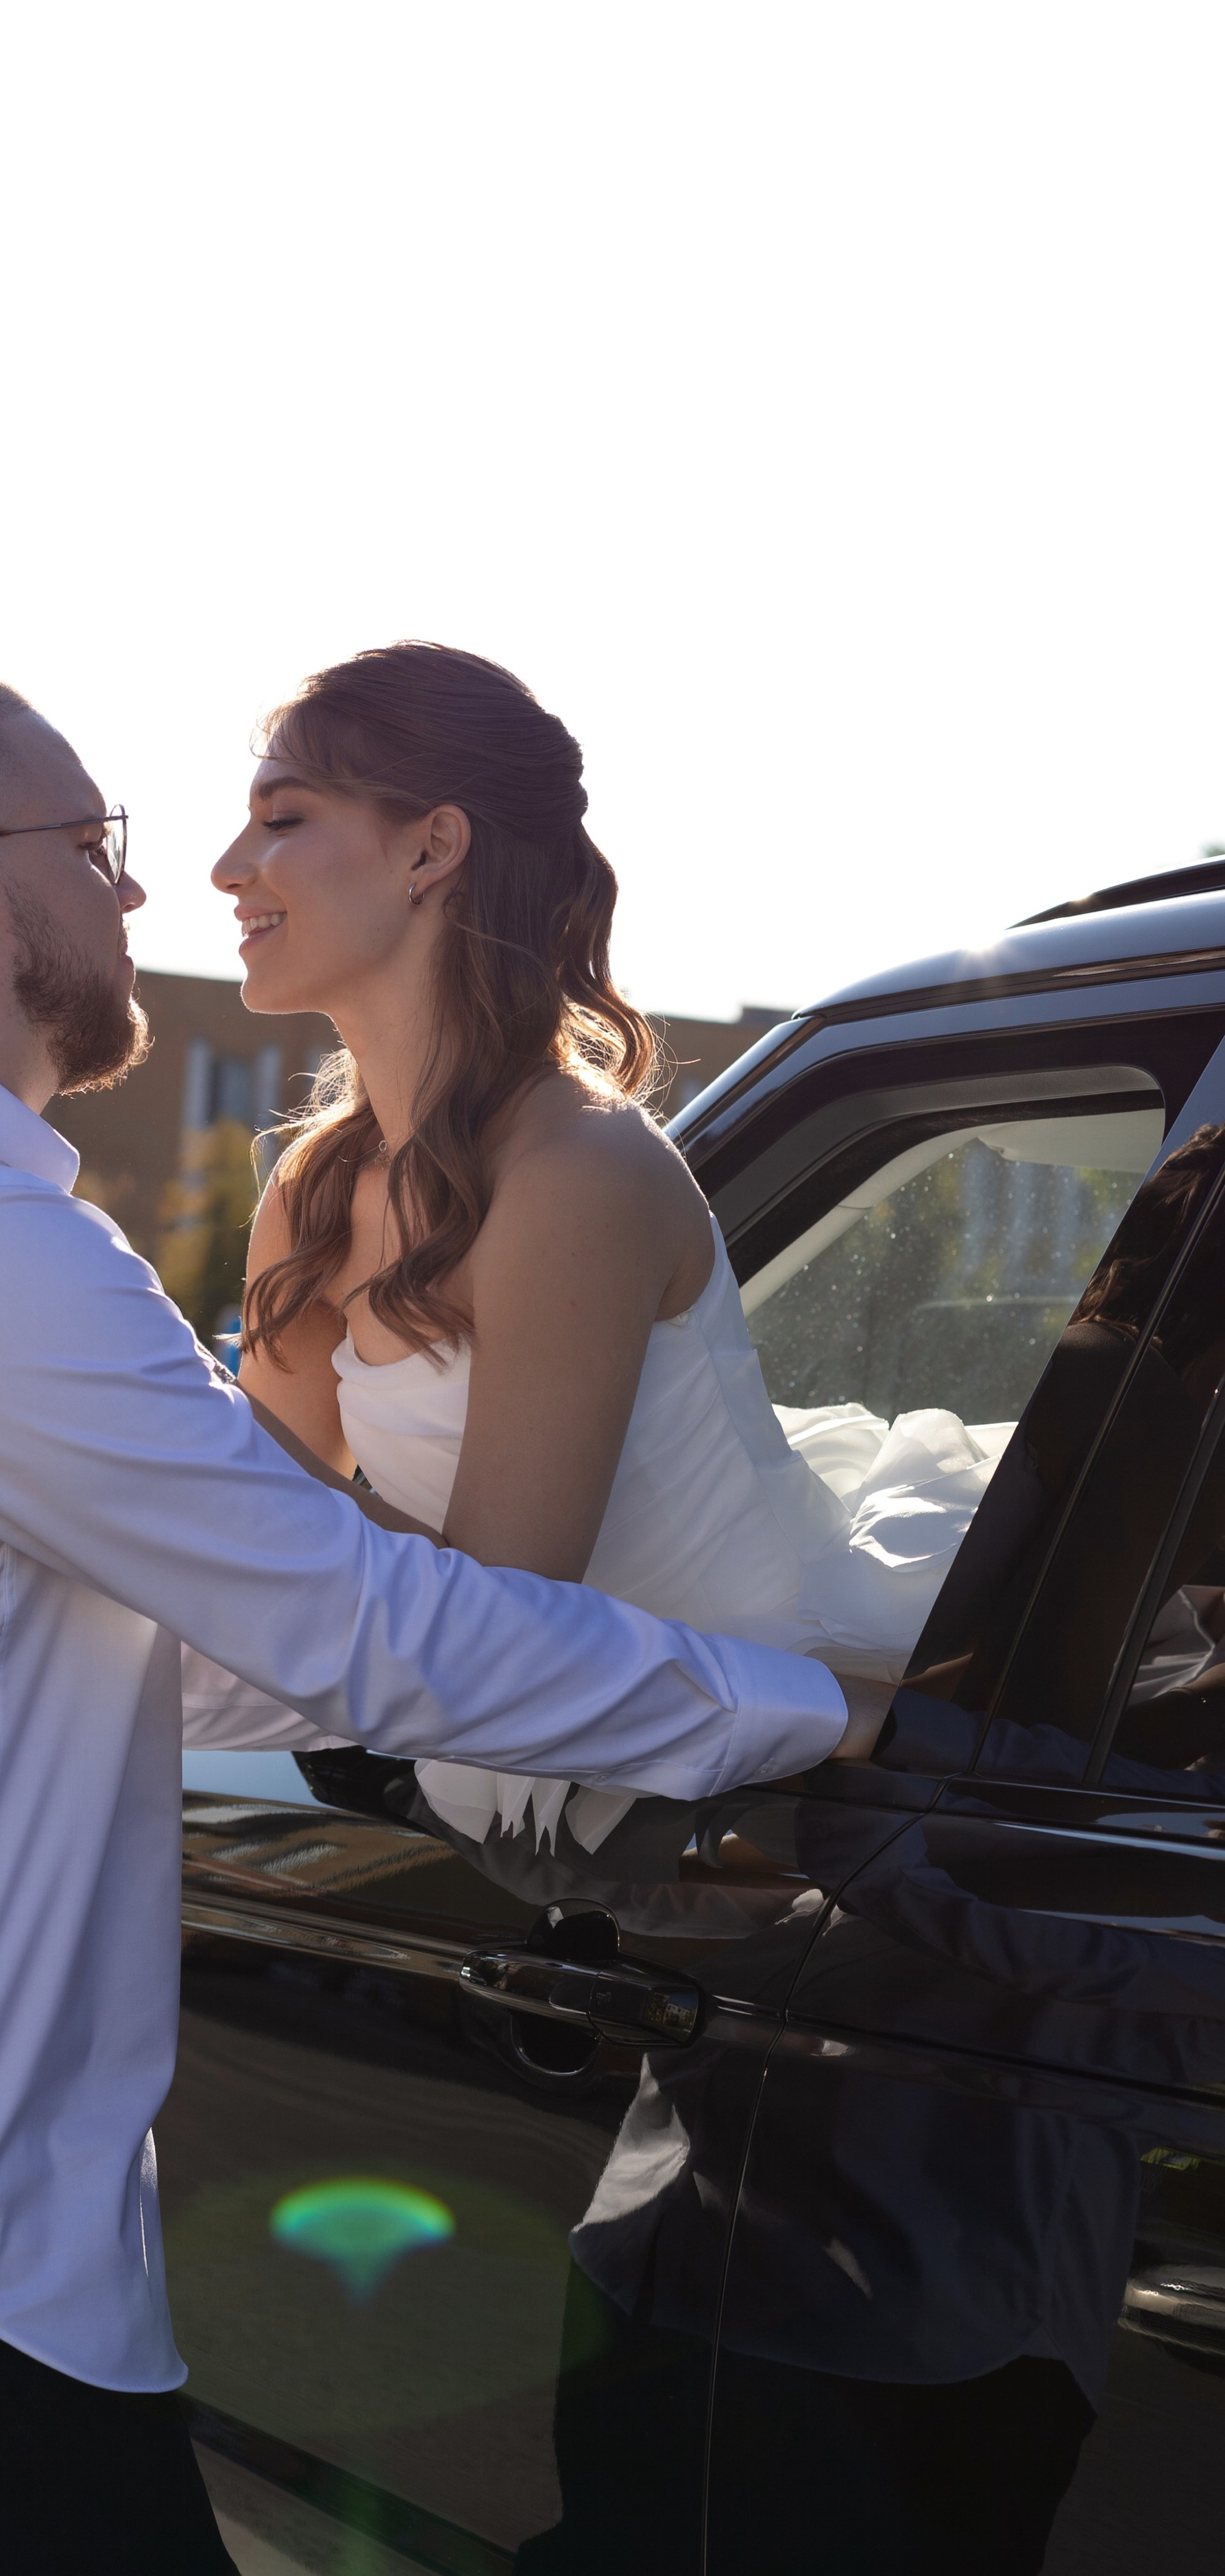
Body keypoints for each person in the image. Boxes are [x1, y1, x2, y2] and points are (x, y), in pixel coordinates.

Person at [0, 665, 871, 2576]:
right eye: (93, 848)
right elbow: (359, 1624)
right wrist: (798, 1711)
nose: (148, 892)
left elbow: (166, 1637)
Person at [213, 641, 978, 1853]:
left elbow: (501, 1616)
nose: (227, 870)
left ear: (431, 846)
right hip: (515, 1760)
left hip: (755, 1787)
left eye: (282, 820)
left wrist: (186, 1419)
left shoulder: (579, 1173)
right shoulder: (313, 1191)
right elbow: (250, 1556)